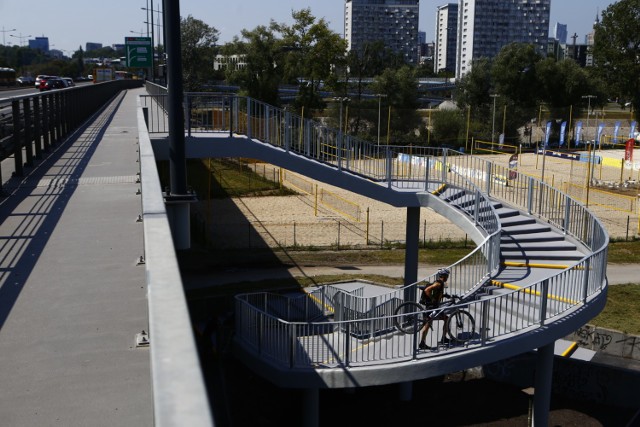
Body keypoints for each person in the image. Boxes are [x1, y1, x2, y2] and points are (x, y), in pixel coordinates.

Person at [418, 268, 451, 350]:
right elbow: (427, 290)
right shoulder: (439, 284)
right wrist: (432, 299)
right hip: (432, 307)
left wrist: (444, 296)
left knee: (446, 318)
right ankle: (422, 343)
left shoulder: (440, 283)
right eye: (447, 275)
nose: (448, 277)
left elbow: (437, 294)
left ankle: (444, 338)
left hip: (435, 307)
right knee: (428, 324)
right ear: (444, 276)